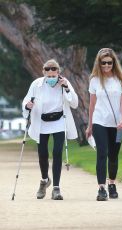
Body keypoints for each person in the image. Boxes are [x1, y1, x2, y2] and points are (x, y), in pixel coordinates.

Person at [22, 59, 78, 200]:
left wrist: (66, 87)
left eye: (54, 76)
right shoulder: (37, 84)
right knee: (42, 154)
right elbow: (26, 100)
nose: (52, 79)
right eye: (49, 76)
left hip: (59, 121)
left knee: (57, 152)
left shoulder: (64, 83)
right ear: (44, 73)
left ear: (58, 73)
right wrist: (27, 105)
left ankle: (56, 188)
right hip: (42, 122)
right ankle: (44, 180)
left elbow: (74, 103)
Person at [86, 48, 122, 201]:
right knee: (102, 153)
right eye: (103, 63)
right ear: (98, 63)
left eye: (109, 63)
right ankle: (101, 188)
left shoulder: (120, 80)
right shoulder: (94, 80)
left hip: (117, 124)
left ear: (113, 63)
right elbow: (92, 104)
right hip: (100, 121)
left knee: (113, 155)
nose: (106, 66)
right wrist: (90, 125)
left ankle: (112, 183)